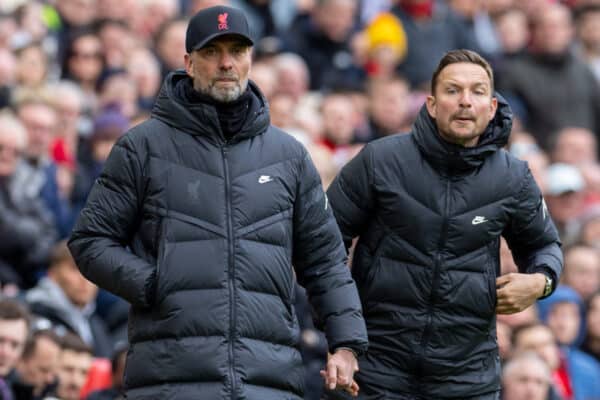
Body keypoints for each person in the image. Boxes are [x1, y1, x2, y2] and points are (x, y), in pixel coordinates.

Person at [68, 5, 368, 400]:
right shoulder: (142, 147)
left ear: (251, 60)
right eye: (212, 52)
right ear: (189, 63)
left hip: (269, 377)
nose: (226, 63)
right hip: (170, 378)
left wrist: (345, 343)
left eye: (237, 51)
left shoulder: (288, 155)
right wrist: (156, 284)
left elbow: (325, 261)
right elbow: (90, 241)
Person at [326, 49, 563, 399]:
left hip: (467, 378)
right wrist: (343, 337)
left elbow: (546, 246)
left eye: (478, 91)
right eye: (453, 90)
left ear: (492, 106)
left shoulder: (514, 178)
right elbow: (322, 244)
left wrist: (541, 282)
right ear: (432, 105)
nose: (465, 101)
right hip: (373, 367)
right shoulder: (380, 160)